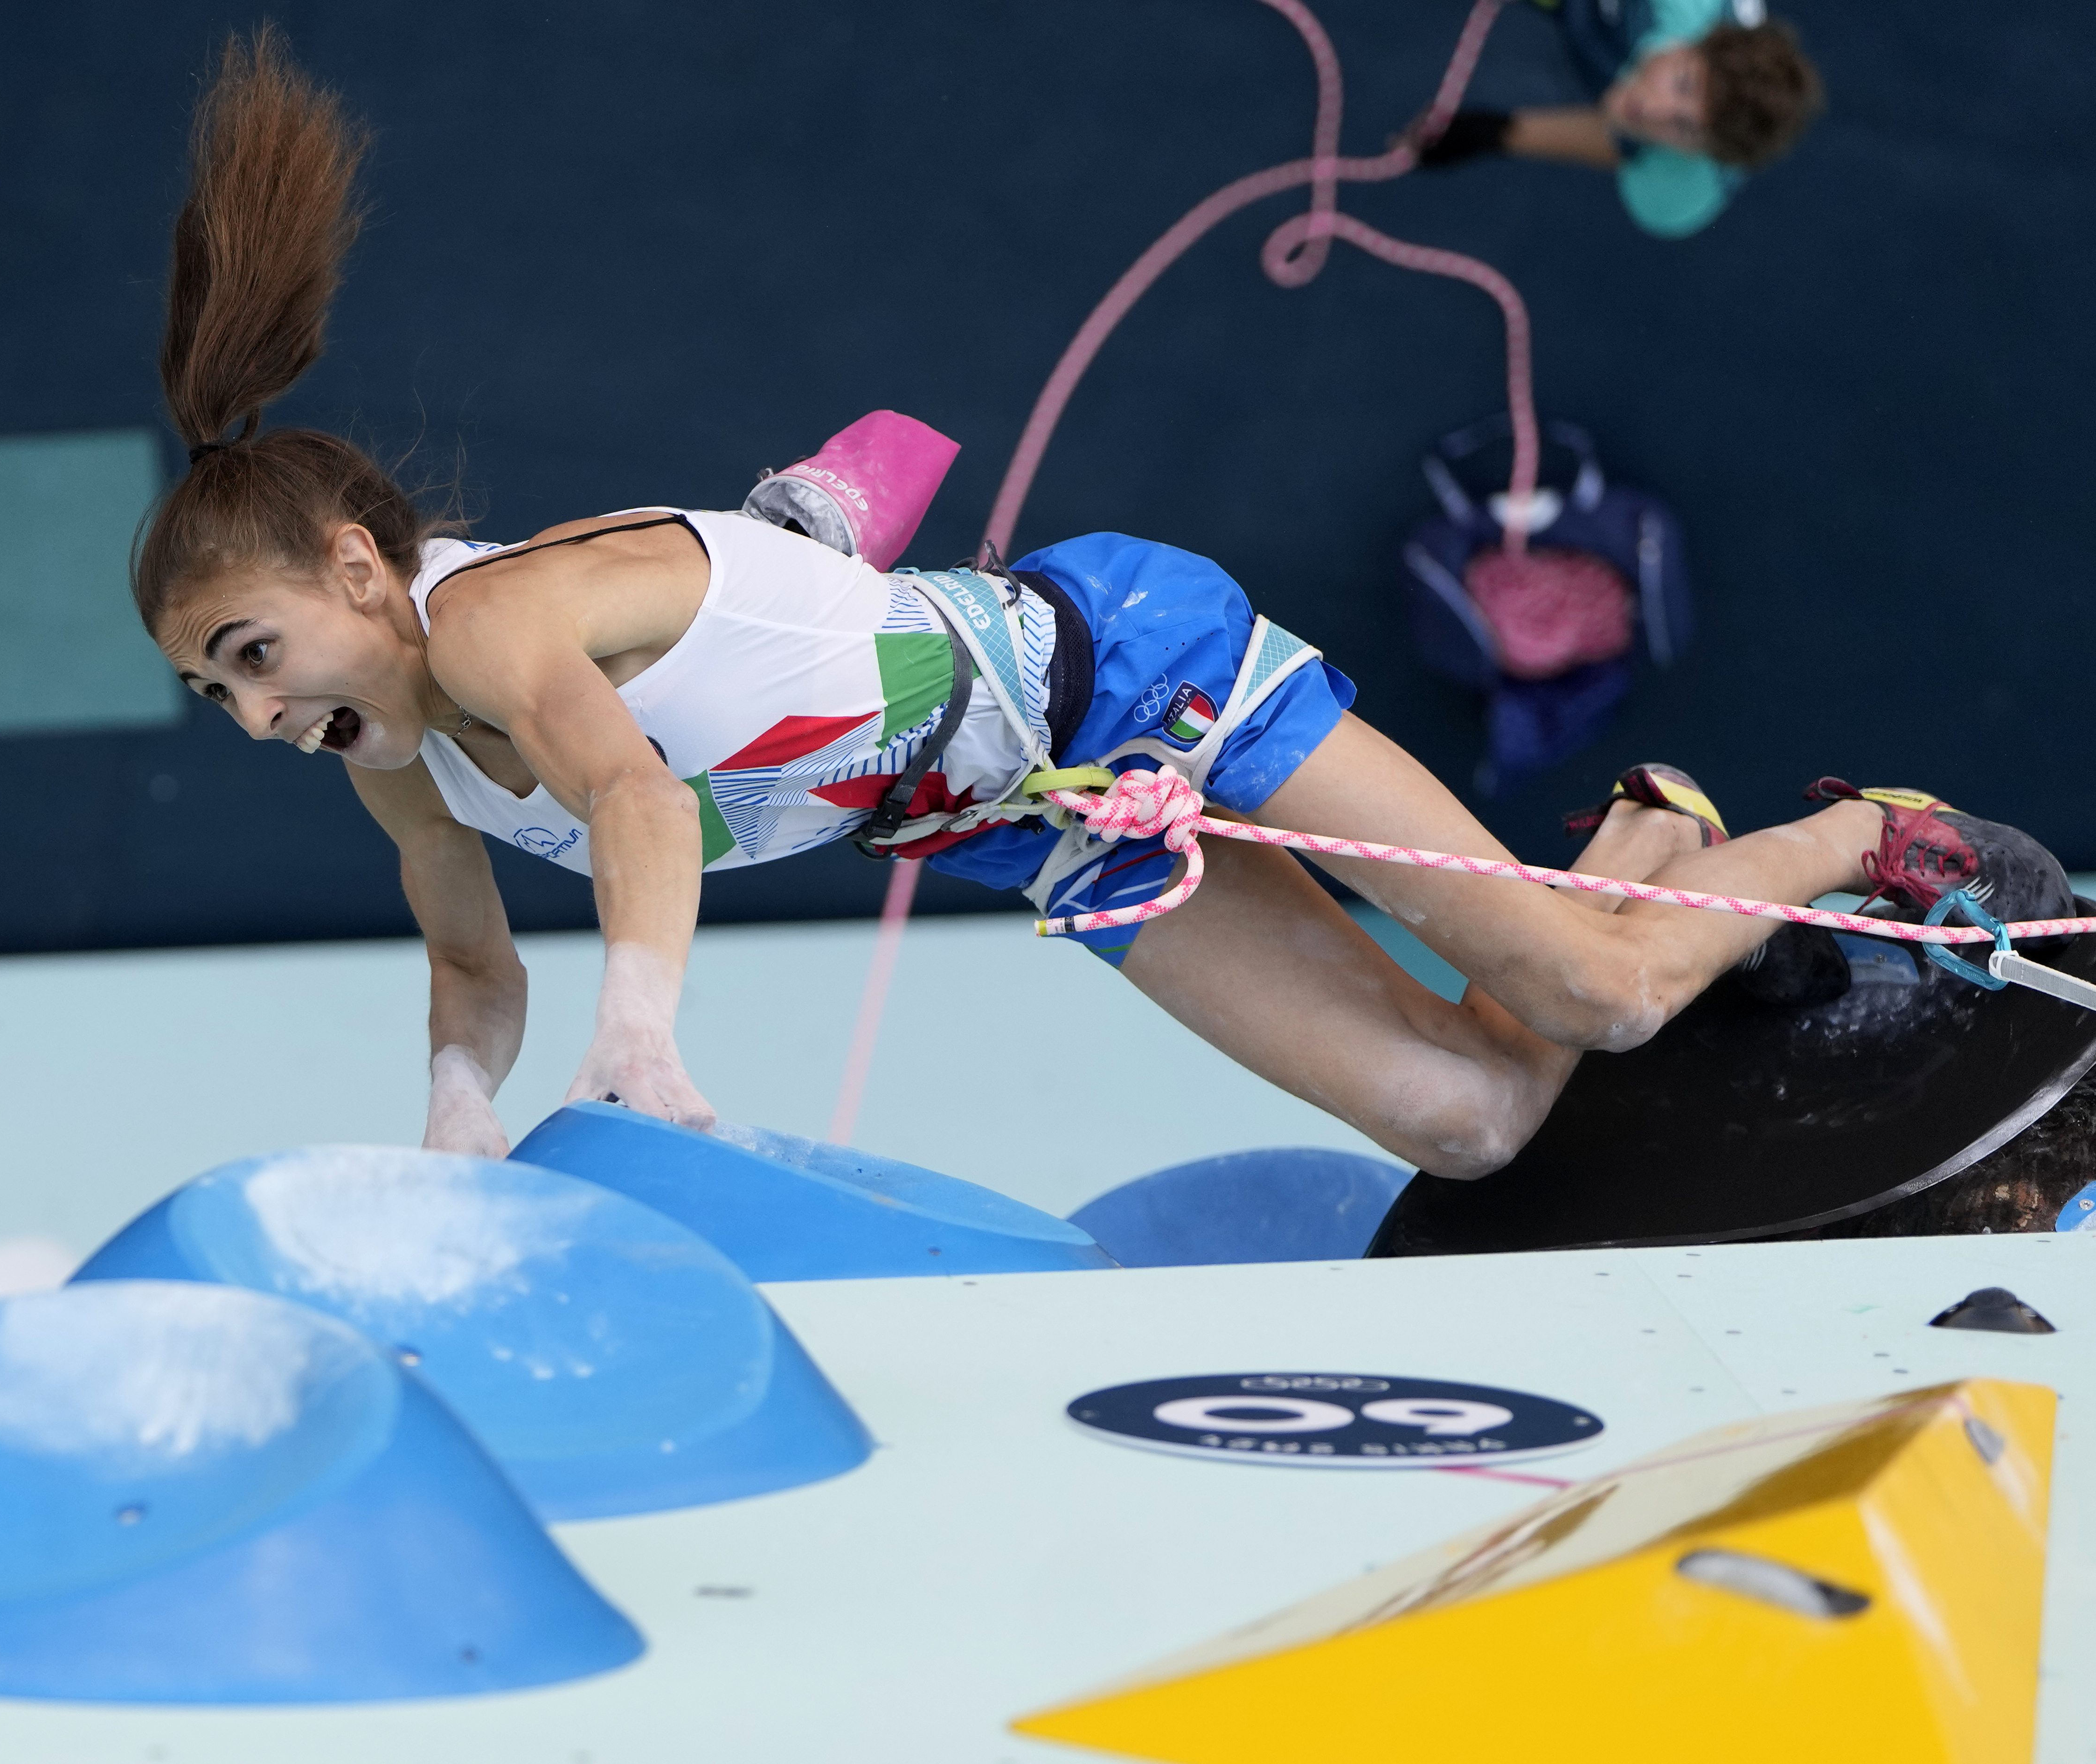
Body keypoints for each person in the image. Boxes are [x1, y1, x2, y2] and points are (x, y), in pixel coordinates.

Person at [139, 32, 2066, 1177]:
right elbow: (471, 968)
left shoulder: (487, 631)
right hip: (1025, 824)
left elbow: (636, 803)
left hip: (1138, 668)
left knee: (1596, 996)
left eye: (251, 659)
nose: (248, 718)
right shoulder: (398, 761)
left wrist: (638, 1029)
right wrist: (453, 1115)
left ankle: (1851, 828)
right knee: (1470, 1118)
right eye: (206, 700)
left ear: (357, 570)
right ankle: (1643, 837)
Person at [1417, 3, 1825, 238]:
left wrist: (1494, 133)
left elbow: (1626, 147)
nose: (1652, 110)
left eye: (1683, 127)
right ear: (1699, 43)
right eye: (1682, 84)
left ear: (1698, 154)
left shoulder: (1679, 197)